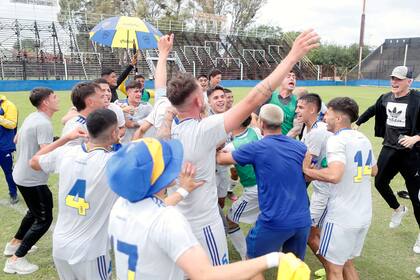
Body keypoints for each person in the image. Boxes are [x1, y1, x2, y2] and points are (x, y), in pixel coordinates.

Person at [161, 29, 319, 266]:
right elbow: (256, 97)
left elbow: (161, 86)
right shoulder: (203, 130)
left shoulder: (165, 115)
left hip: (175, 216)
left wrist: (163, 55)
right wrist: (292, 56)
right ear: (198, 101)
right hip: (202, 222)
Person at [107, 138, 309, 280]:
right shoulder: (168, 219)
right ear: (160, 178)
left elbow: (151, 214)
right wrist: (275, 258)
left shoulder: (121, 205)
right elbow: (205, 274)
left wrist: (183, 191)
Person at [217, 105, 311, 269]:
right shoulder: (300, 147)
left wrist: (216, 146)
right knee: (293, 269)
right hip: (302, 220)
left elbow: (222, 160)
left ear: (260, 123)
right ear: (281, 122)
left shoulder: (256, 148)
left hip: (274, 220)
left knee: (252, 264)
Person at [29, 109, 119, 280]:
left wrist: (65, 138)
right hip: (91, 252)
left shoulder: (66, 152)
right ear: (114, 132)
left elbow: (33, 161)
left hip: (61, 246)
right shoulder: (114, 162)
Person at [303, 97, 378, 280]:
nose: (324, 117)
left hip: (341, 218)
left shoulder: (336, 140)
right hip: (363, 214)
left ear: (338, 119)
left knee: (334, 271)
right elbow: (374, 171)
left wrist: (308, 171)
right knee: (347, 264)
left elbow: (335, 175)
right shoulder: (362, 137)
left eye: (327, 113)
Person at [357, 66, 420, 251]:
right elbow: (372, 110)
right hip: (390, 149)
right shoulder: (385, 98)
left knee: (416, 197)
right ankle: (398, 209)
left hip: (412, 155)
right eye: (393, 78)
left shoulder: (417, 99)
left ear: (410, 81)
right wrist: (358, 122)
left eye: (399, 79)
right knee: (379, 182)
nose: (394, 82)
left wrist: (416, 138)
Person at [4, 87, 59, 274]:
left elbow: (18, 138)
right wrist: (66, 143)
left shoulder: (33, 117)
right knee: (44, 218)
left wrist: (59, 140)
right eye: (54, 97)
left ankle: (13, 245)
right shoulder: (43, 123)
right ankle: (15, 260)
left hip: (20, 174)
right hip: (31, 178)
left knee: (33, 213)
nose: (57, 99)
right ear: (45, 102)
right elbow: (46, 152)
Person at [295, 93, 332, 277]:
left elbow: (307, 169)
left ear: (312, 109)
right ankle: (330, 269)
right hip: (320, 189)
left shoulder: (317, 132)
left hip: (325, 192)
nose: (296, 110)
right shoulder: (310, 129)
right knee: (319, 234)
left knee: (310, 235)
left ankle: (333, 270)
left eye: (300, 107)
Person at [222, 116, 262, 260]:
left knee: (230, 221)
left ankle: (246, 257)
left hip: (253, 190)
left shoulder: (232, 147)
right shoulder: (255, 132)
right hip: (266, 185)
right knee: (263, 219)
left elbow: (217, 160)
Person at [264, 71, 298, 135]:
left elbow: (297, 128)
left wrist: (283, 140)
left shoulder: (297, 102)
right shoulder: (269, 97)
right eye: (288, 76)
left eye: (294, 77)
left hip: (288, 141)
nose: (292, 78)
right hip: (269, 140)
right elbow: (254, 116)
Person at [0, 94, 18, 204]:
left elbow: (12, 124)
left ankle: (13, 193)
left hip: (4, 146)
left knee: (8, 172)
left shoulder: (8, 105)